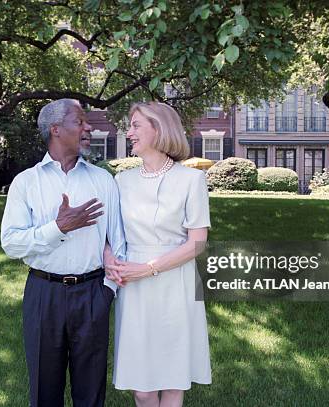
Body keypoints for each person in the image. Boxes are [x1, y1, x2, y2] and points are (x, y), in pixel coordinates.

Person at [0, 98, 125, 407]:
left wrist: (106, 293)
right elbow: (12, 243)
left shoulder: (103, 181)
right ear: (55, 130)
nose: (88, 127)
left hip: (93, 294)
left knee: (91, 392)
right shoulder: (25, 183)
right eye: (79, 122)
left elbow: (119, 243)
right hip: (44, 294)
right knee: (44, 390)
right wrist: (59, 227)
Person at [106, 101, 212, 407]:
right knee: (142, 388)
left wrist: (148, 268)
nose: (129, 132)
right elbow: (110, 234)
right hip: (133, 286)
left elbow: (196, 243)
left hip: (174, 282)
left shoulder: (191, 180)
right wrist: (109, 260)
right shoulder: (122, 181)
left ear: (159, 128)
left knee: (172, 378)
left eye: (136, 125)